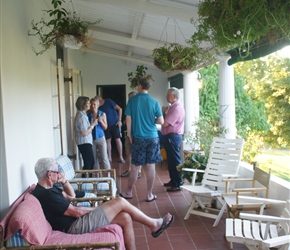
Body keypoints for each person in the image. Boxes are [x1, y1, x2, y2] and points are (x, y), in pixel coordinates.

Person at [32, 158, 174, 250]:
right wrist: (98, 208)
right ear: (49, 174)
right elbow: (77, 212)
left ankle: (151, 229)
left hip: (75, 220)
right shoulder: (47, 195)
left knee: (125, 217)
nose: (60, 173)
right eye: (58, 171)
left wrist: (63, 181)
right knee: (119, 201)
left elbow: (71, 196)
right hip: (74, 226)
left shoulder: (48, 188)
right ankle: (154, 224)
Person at [120, 78, 164, 202]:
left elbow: (128, 120)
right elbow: (161, 121)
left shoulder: (132, 100)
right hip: (153, 137)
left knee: (135, 166)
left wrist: (130, 135)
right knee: (151, 166)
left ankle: (128, 192)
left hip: (138, 137)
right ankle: (149, 194)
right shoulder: (154, 102)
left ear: (139, 86)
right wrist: (151, 120)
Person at [161, 88, 185, 192]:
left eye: (168, 95)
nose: (166, 97)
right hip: (169, 136)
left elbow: (165, 123)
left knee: (175, 160)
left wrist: (161, 113)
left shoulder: (177, 108)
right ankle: (173, 180)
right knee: (170, 161)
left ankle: (177, 183)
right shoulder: (173, 107)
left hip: (173, 137)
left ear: (174, 97)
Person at [95, 95, 125, 163]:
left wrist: (119, 120)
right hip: (106, 126)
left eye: (97, 102)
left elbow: (120, 109)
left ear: (100, 100)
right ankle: (109, 158)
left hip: (115, 124)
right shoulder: (98, 107)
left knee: (118, 140)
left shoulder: (108, 101)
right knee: (108, 141)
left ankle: (121, 157)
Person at [74, 96, 98, 174]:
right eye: (88, 103)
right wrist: (93, 125)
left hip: (84, 142)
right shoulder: (81, 117)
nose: (90, 105)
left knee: (90, 162)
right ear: (83, 105)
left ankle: (87, 180)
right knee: (89, 163)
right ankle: (85, 181)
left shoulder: (82, 114)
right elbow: (84, 133)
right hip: (84, 142)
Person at [121, 91, 142, 179]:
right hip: (129, 133)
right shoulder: (129, 107)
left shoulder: (139, 107)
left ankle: (139, 171)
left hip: (138, 134)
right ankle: (129, 170)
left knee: (138, 153)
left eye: (130, 98)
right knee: (128, 152)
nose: (129, 100)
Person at [87, 98, 111, 170]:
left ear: (98, 105)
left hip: (100, 137)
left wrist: (101, 121)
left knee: (104, 157)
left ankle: (108, 175)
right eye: (91, 104)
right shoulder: (88, 115)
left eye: (94, 104)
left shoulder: (102, 114)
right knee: (94, 158)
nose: (92, 106)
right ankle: (97, 176)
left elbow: (105, 127)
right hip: (91, 138)